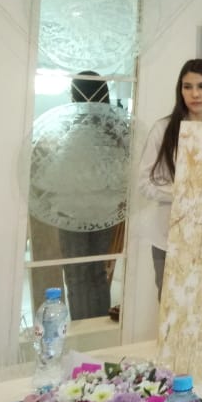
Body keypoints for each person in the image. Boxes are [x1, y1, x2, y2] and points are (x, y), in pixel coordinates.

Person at [138, 59, 202, 299]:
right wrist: (185, 192)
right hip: (169, 237)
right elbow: (144, 183)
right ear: (180, 90)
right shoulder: (163, 129)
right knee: (171, 308)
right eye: (187, 87)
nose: (195, 94)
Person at [56, 71, 125, 320]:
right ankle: (98, 327)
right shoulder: (114, 127)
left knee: (77, 274)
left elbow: (60, 171)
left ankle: (82, 330)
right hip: (103, 209)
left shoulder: (72, 126)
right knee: (96, 271)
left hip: (72, 210)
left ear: (76, 94)